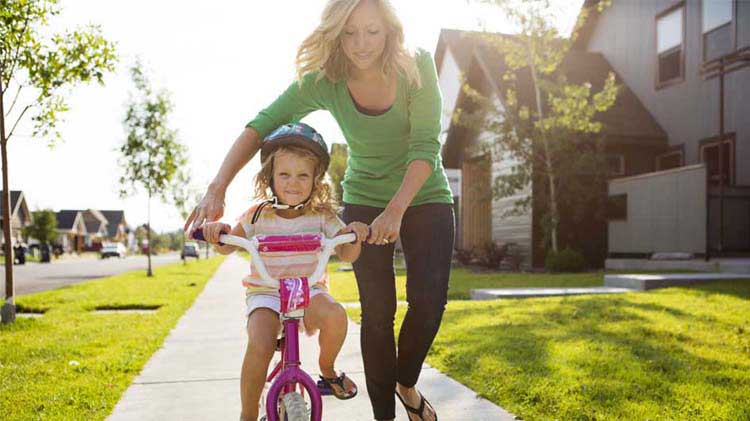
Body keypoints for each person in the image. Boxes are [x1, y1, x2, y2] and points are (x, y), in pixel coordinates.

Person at [185, 1, 454, 419]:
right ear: (335, 33)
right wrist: (217, 187)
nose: (360, 44)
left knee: (429, 302)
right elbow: (261, 124)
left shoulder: (416, 65)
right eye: (349, 33)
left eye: (371, 31)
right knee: (379, 314)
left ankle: (405, 382)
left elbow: (424, 147)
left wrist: (397, 210)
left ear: (390, 30)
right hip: (365, 195)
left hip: (425, 194)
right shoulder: (327, 79)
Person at [201, 123, 369, 421]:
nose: (294, 183)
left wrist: (353, 235)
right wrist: (219, 232)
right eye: (285, 175)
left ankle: (327, 370)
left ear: (316, 179)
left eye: (303, 175)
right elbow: (228, 244)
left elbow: (347, 252)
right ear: (270, 177)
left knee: (335, 316)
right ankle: (248, 414)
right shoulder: (256, 215)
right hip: (266, 293)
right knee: (260, 344)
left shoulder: (322, 216)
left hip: (308, 291)